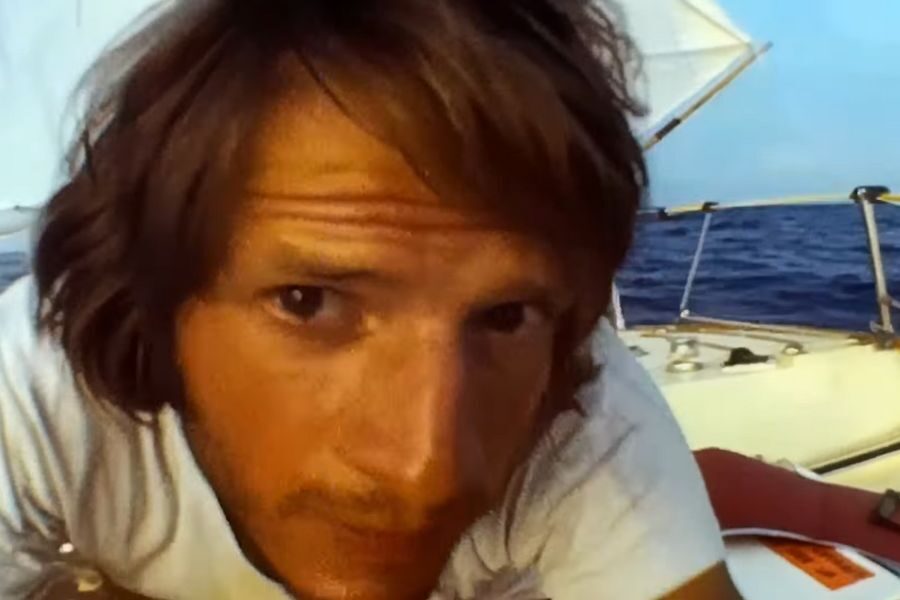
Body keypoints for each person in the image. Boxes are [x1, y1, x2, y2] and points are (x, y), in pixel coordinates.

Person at [0, 0, 740, 598]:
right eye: (308, 301)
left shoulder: (587, 418)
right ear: (147, 301)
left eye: (504, 317)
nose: (426, 469)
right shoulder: (34, 380)